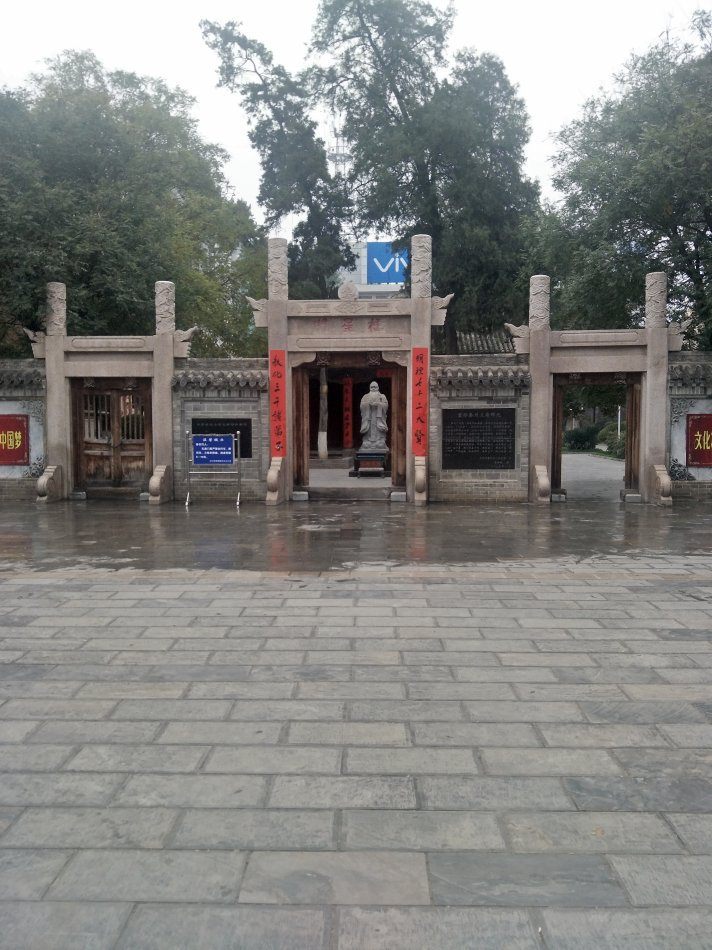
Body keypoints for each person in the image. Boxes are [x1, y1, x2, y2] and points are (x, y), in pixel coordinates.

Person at [360, 381, 389, 450]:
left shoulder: (382, 396)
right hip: (369, 417)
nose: (373, 388)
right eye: (372, 387)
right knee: (366, 441)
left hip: (378, 418)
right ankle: (368, 442)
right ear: (369, 388)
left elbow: (386, 406)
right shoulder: (365, 396)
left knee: (380, 442)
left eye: (375, 387)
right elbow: (362, 406)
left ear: (378, 387)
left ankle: (380, 440)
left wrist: (378, 404)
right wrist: (368, 404)